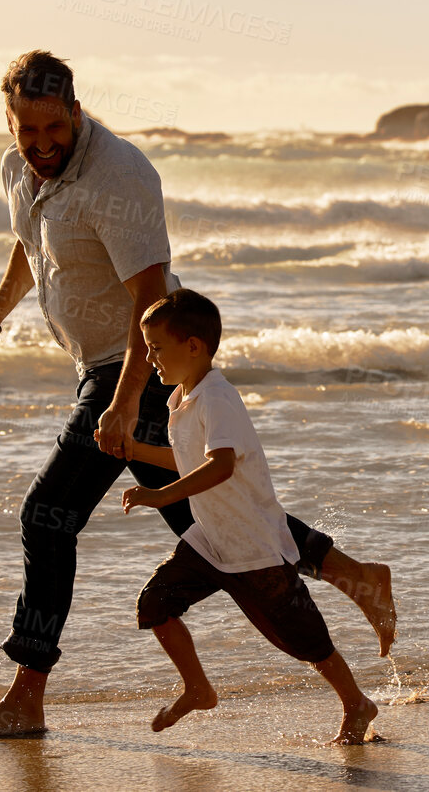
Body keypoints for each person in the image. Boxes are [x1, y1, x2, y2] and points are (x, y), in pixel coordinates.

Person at [0, 51, 394, 740]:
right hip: (102, 371)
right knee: (216, 528)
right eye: (22, 131)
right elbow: (28, 241)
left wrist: (125, 402)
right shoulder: (21, 169)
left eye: (49, 129)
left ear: (74, 109)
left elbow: (150, 298)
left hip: (135, 366)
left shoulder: (120, 175)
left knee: (48, 517)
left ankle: (27, 694)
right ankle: (353, 582)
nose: (38, 146)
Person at [116, 289, 377, 744]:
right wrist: (134, 451)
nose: (149, 358)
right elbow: (191, 459)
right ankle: (197, 687)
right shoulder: (183, 397)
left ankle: (357, 702)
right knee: (155, 604)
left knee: (306, 640)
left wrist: (160, 497)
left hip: (253, 546)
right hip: (210, 540)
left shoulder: (217, 398)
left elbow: (220, 465)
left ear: (193, 346)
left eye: (156, 348)